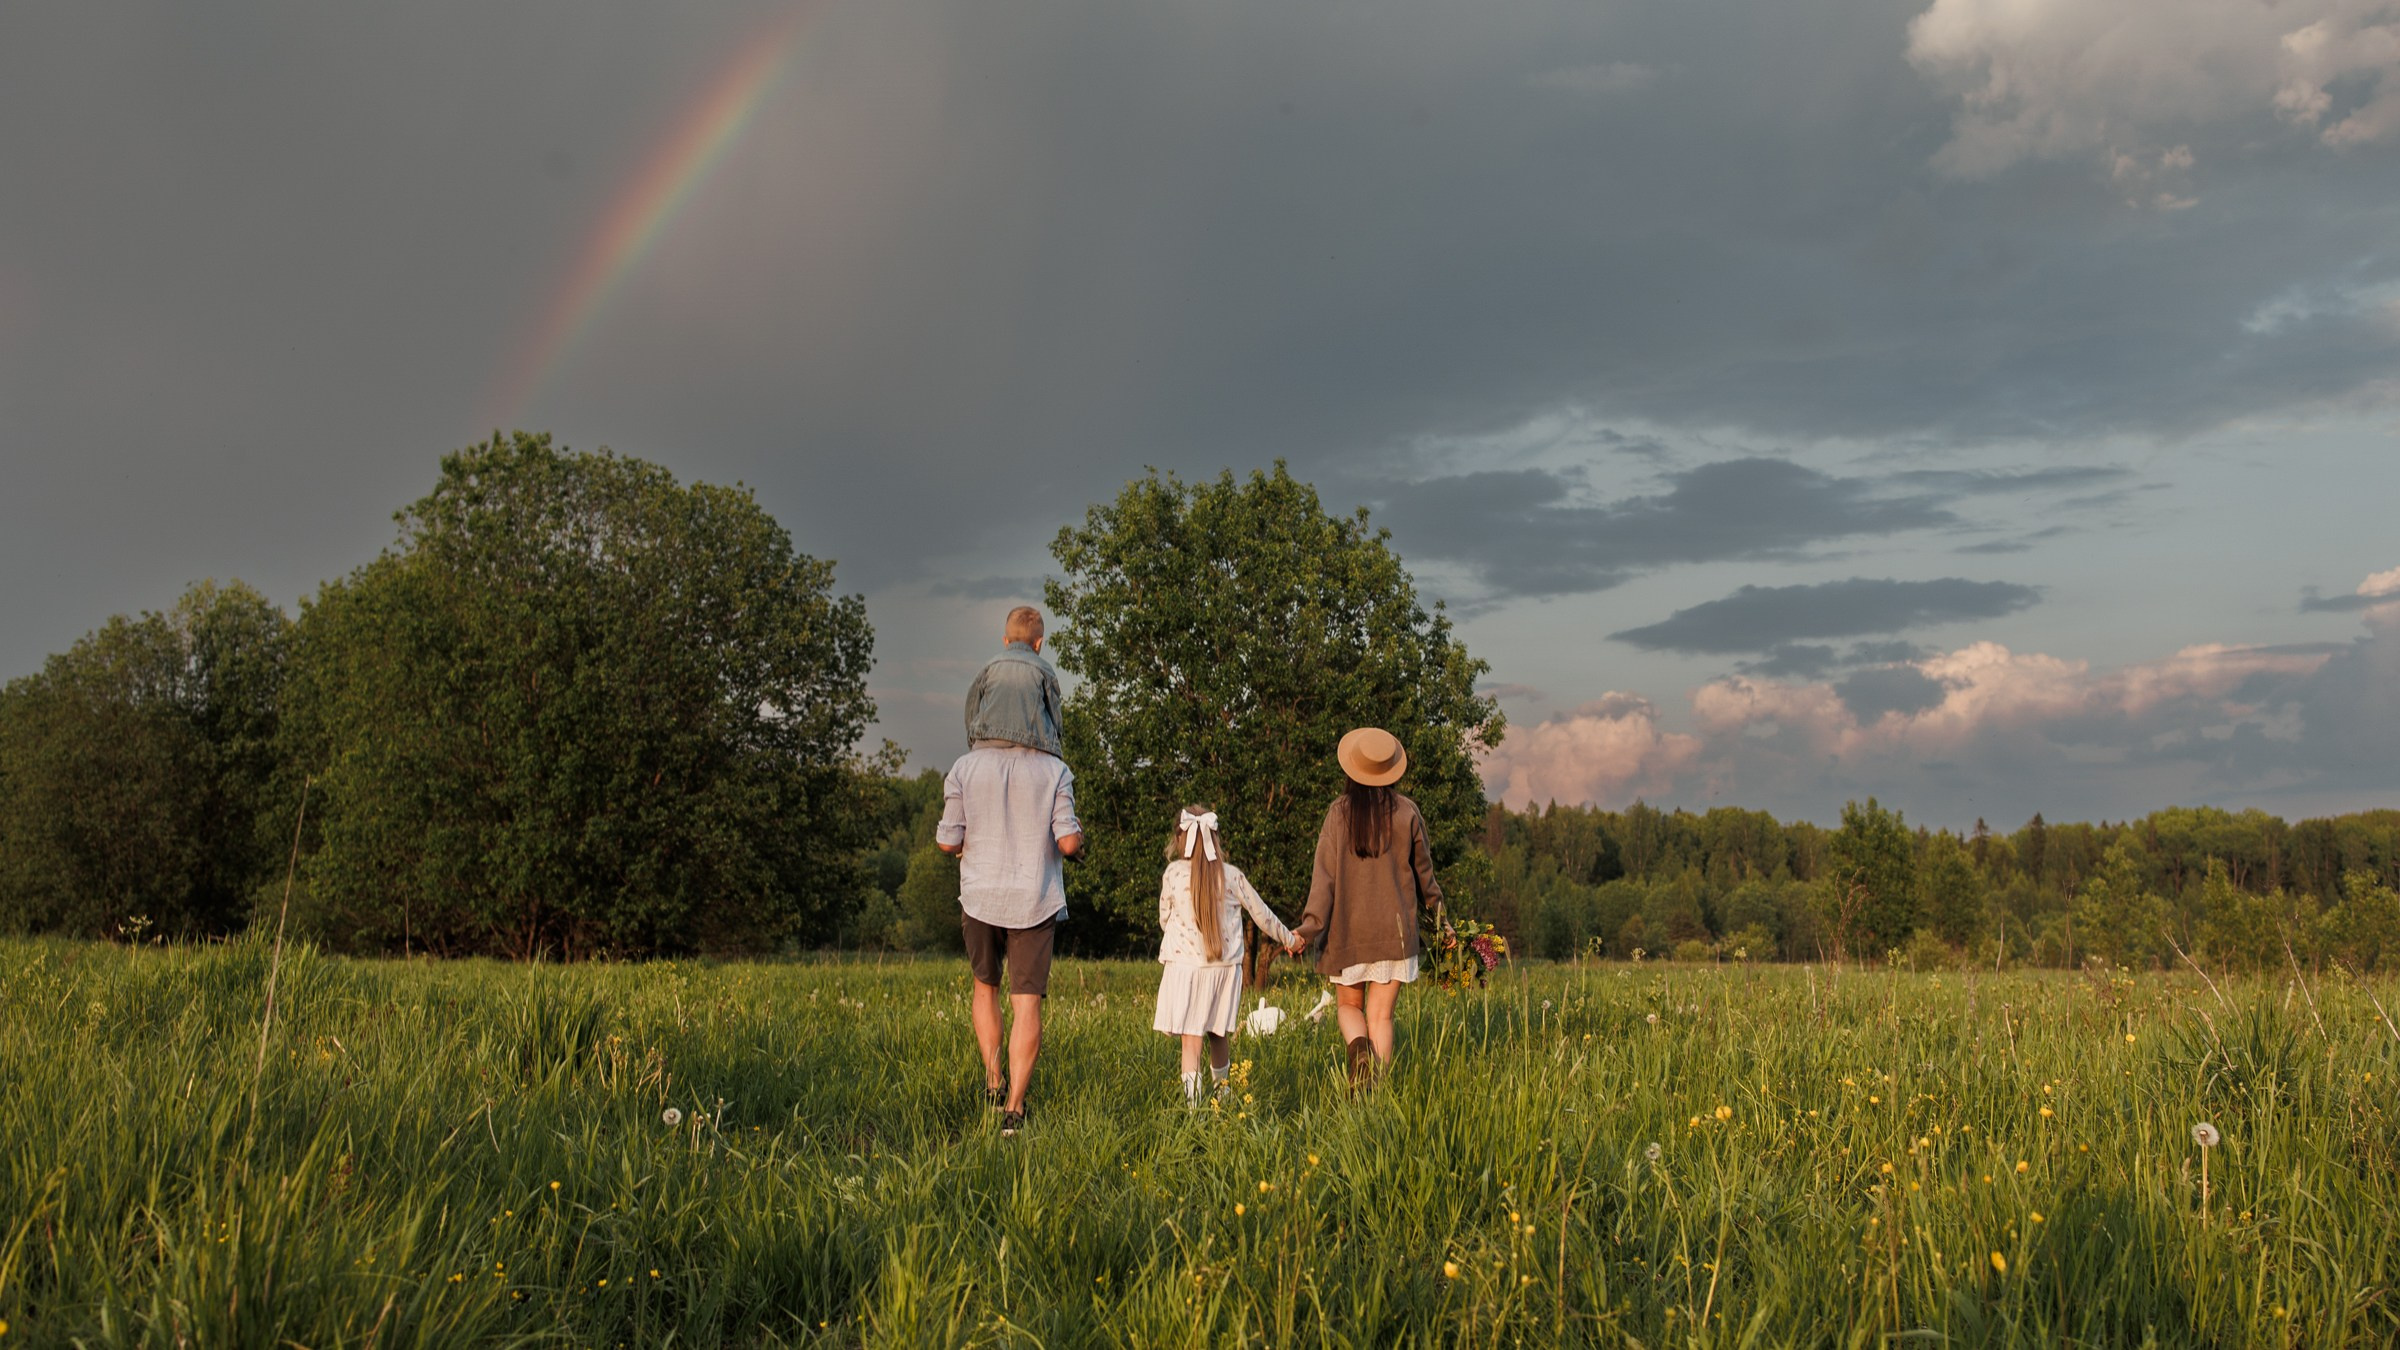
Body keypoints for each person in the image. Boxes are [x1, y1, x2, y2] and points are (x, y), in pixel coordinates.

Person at [935, 736, 1083, 1137]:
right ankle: (1015, 1110)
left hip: (981, 895)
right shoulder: (1056, 770)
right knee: (1027, 1002)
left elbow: (947, 841)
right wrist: (1079, 841)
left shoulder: (965, 767)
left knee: (986, 987)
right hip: (1033, 897)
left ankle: (993, 1083)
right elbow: (1068, 842)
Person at [1293, 726, 1441, 1088]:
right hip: (1395, 934)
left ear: (1352, 770)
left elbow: (1323, 878)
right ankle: (1376, 1096)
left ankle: (1358, 1051)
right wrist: (1441, 922)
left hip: (1348, 931)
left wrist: (1308, 928)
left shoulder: (1338, 814)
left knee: (1348, 1009)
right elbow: (1426, 876)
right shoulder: (1407, 812)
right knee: (1382, 1018)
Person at [1152, 805, 1304, 1104]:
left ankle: (1194, 1111)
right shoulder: (1232, 876)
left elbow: (1163, 918)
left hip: (1186, 968)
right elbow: (1263, 915)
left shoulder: (1173, 874)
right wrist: (1291, 939)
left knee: (1191, 1043)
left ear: (1180, 838)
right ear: (1215, 838)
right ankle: (1223, 1097)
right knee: (1219, 1034)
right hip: (1225, 970)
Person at [963, 606, 1063, 757]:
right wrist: (1055, 743)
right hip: (1032, 742)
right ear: (1038, 643)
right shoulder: (1044, 669)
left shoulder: (989, 666)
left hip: (989, 738)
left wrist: (973, 738)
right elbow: (1055, 715)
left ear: (1005, 641)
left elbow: (972, 707)